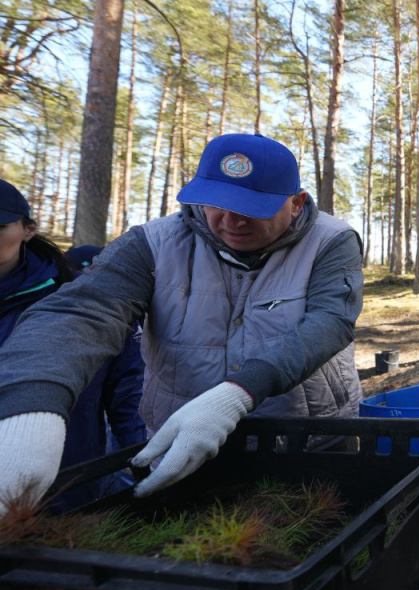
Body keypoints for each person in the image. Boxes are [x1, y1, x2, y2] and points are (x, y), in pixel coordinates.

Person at [0, 133, 364, 513]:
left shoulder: (330, 241)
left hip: (310, 438)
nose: (232, 220)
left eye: (253, 208)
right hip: (183, 442)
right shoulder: (153, 243)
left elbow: (329, 321)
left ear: (296, 202)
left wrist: (238, 392)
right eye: (217, 204)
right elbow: (82, 312)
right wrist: (31, 405)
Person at [0, 180, 146, 508]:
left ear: (28, 230)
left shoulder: (86, 303)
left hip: (63, 494)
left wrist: (149, 468)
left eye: (0, 225)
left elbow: (128, 398)